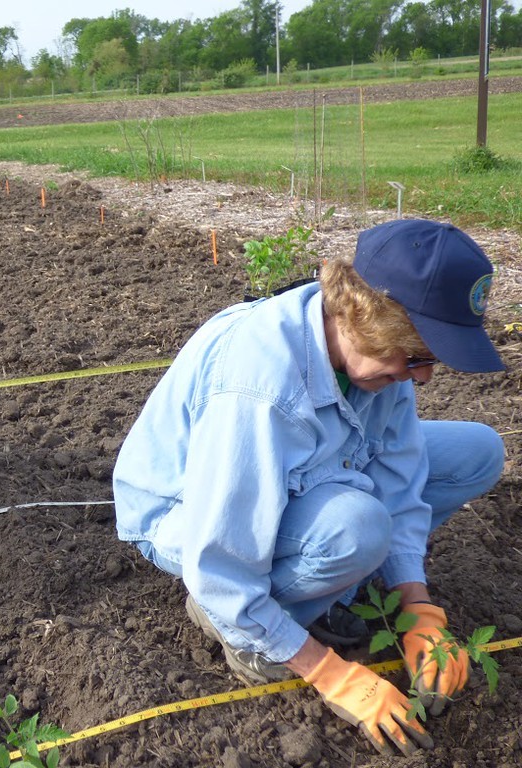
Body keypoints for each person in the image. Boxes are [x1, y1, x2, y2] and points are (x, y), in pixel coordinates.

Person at [113, 219, 505, 756]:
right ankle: (247, 626)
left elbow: (400, 475)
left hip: (317, 457)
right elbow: (221, 552)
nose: (424, 377)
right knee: (358, 527)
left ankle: (334, 576)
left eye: (429, 359)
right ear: (364, 317)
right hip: (188, 514)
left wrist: (417, 605)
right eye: (416, 358)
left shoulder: (375, 356)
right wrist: (327, 672)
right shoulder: (258, 389)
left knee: (478, 452)